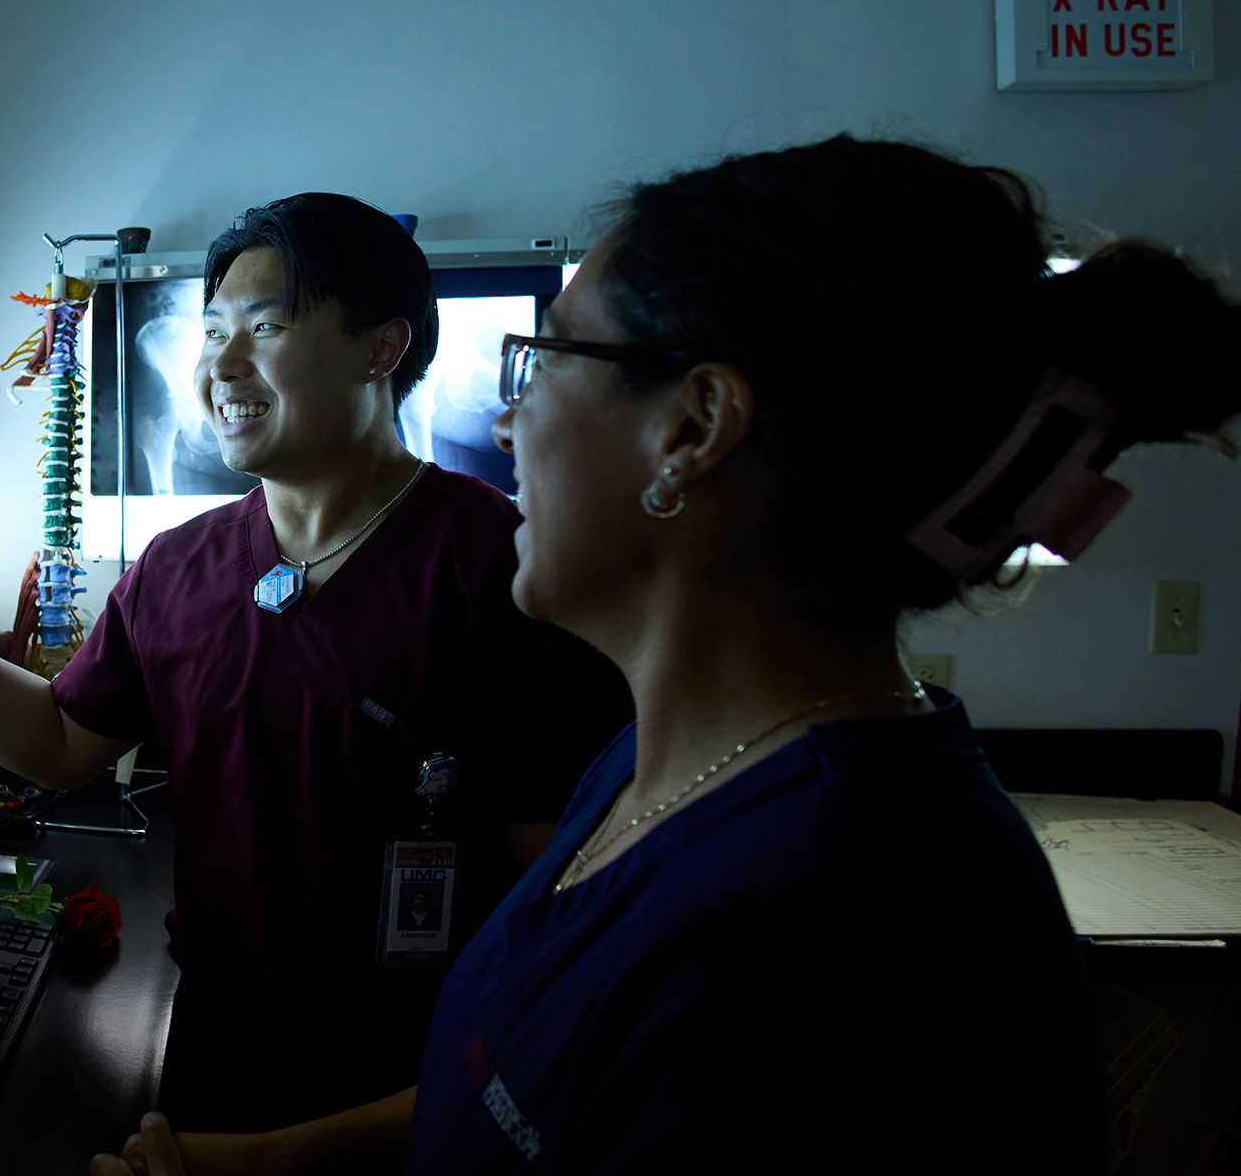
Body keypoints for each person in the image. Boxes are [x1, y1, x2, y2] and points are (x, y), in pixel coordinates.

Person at [91, 137, 1241, 1174]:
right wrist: (265, 1160)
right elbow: (514, 1086)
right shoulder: (660, 769)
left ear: (691, 428)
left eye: (543, 362)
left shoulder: (819, 919)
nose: (508, 422)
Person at [0, 193, 632, 1134]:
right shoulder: (178, 569)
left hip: (417, 1093)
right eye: (210, 333)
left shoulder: (503, 566)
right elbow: (58, 742)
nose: (220, 365)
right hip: (211, 1064)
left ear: (381, 348)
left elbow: (563, 905)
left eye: (264, 327)